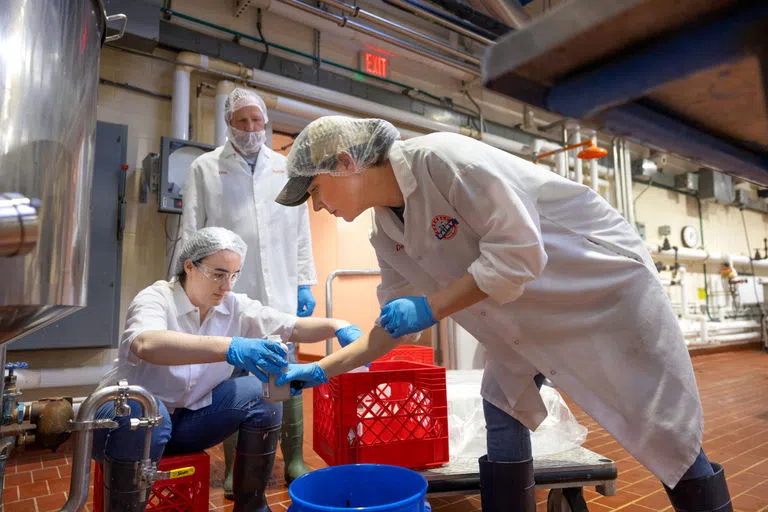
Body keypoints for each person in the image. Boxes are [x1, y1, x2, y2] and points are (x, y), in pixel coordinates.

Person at [273, 116, 733, 512]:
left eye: (315, 189)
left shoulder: (445, 160)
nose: (317, 205)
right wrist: (320, 369)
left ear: (346, 163)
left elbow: (520, 255)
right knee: (501, 405)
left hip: (597, 295)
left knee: (661, 429)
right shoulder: (385, 227)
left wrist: (430, 307)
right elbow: (391, 327)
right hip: (522, 315)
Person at [94, 227, 362, 512]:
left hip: (186, 423)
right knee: (146, 408)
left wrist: (338, 326)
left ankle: (252, 507)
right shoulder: (157, 298)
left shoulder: (234, 306)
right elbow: (147, 343)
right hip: (125, 423)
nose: (228, 285)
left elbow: (290, 325)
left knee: (261, 393)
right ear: (189, 266)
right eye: (218, 274)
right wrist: (231, 346)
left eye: (234, 275)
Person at [183, 88, 318, 491]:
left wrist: (305, 281)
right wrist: (192, 287)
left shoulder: (285, 167)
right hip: (227, 291)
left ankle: (293, 459)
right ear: (228, 123)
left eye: (256, 120)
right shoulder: (205, 168)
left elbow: (300, 232)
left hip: (280, 287)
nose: (250, 128)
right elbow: (191, 232)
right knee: (232, 377)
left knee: (285, 373)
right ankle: (233, 467)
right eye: (241, 121)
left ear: (265, 122)